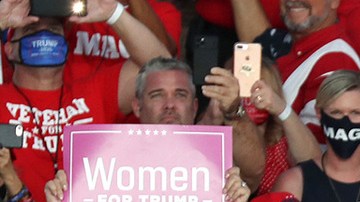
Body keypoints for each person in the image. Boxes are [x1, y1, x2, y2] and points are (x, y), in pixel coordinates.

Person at [0, 0, 170, 200]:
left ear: (66, 43)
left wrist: (114, 14)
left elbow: (164, 69)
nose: (44, 36)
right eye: (31, 29)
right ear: (9, 49)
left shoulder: (95, 91)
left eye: (54, 29)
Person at [44, 57, 251, 202]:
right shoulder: (102, 164)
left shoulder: (214, 169)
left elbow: (256, 169)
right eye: (157, 95)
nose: (170, 104)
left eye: (180, 94)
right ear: (136, 106)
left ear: (195, 106)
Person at [199, 58, 321, 196]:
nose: (248, 97)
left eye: (257, 88)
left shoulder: (283, 140)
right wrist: (213, 118)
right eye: (241, 88)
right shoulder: (219, 136)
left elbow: (315, 168)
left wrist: (281, 108)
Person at [270, 70, 360, 201]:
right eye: (336, 112)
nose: (345, 122)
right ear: (319, 113)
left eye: (356, 113)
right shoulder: (294, 183)